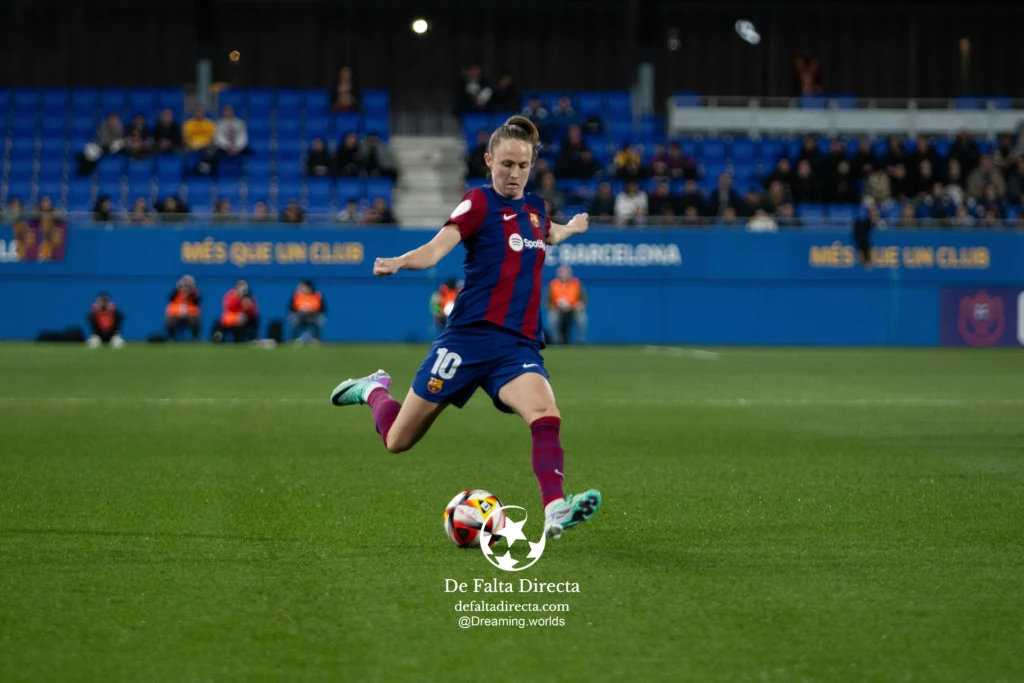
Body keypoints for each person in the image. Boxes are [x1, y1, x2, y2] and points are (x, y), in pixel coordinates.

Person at [329, 115, 601, 540]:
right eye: (506, 164)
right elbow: (436, 250)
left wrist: (573, 228)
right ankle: (373, 389)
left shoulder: (534, 209)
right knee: (398, 441)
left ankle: (555, 509)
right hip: (467, 340)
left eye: (523, 166)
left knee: (545, 414)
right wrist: (400, 261)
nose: (514, 174)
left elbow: (548, 233)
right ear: (489, 160)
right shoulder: (477, 203)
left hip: (517, 346)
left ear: (532, 166)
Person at [546, 265, 587, 344]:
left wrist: (579, 305)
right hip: (558, 310)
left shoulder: (576, 283)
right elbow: (548, 302)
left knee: (582, 318)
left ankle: (581, 340)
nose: (564, 274)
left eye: (566, 272)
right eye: (561, 272)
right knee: (552, 317)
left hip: (573, 310)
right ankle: (556, 341)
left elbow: (583, 300)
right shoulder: (553, 284)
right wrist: (553, 307)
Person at [289, 280, 327, 345]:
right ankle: (293, 339)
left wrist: (312, 309)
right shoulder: (297, 295)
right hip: (300, 315)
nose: (301, 288)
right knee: (294, 318)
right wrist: (301, 309)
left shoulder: (317, 295)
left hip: (314, 315)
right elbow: (291, 308)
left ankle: (318, 340)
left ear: (309, 287)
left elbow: (323, 308)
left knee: (320, 319)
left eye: (303, 286)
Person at [165, 275, 201, 341]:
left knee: (196, 320)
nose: (186, 287)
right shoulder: (176, 292)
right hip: (176, 314)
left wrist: (191, 291)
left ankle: (195, 338)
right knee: (170, 321)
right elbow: (170, 298)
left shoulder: (194, 292)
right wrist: (178, 288)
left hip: (190, 315)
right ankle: (171, 338)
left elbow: (197, 302)